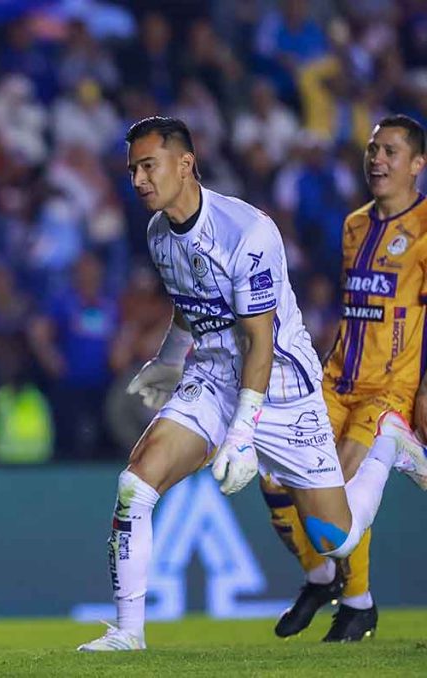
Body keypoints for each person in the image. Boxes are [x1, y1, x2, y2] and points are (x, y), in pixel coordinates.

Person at [77, 117, 427, 652]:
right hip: (214, 377)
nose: (139, 180)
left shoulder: (247, 231)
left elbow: (260, 344)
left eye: (148, 166)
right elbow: (190, 306)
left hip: (284, 386)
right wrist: (170, 361)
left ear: (185, 164)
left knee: (336, 538)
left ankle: (386, 446)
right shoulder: (157, 233)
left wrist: (241, 435)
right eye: (132, 170)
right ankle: (127, 632)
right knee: (134, 487)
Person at [261, 115, 427, 642]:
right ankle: (330, 583)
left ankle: (355, 603)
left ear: (418, 165)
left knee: (335, 490)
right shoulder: (354, 225)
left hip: (388, 388)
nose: (376, 159)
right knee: (272, 478)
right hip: (333, 381)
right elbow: (357, 309)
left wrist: (423, 391)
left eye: (390, 151)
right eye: (373, 149)